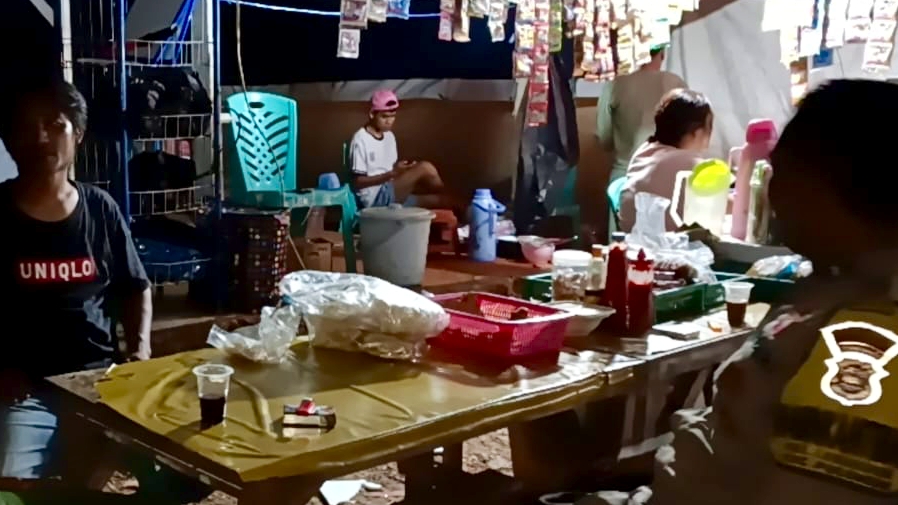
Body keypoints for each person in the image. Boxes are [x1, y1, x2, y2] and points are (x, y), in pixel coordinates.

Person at [583, 80, 898, 505]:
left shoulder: (863, 337)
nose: (771, 193)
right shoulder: (831, 289)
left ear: (821, 185)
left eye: (781, 173)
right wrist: (639, 464)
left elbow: (809, 491)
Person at [0, 79, 152, 478]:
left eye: (55, 125)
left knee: (174, 468)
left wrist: (139, 353)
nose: (40, 137)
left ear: (78, 134)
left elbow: (136, 287)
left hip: (99, 382)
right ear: (9, 141)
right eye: (27, 127)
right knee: (11, 479)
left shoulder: (101, 209)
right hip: (25, 392)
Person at [616, 88, 713, 232]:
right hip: (665, 242)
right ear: (697, 133)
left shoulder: (645, 150)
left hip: (631, 237)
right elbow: (728, 206)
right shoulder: (690, 163)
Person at [597, 45, 687, 189]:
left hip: (625, 177)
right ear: (662, 54)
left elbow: (605, 140)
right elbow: (687, 137)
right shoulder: (676, 84)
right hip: (665, 177)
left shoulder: (616, 83)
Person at [349, 90, 452, 210]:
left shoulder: (389, 136)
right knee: (425, 168)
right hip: (375, 199)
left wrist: (404, 170)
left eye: (392, 116)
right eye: (384, 117)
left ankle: (464, 210)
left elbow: (391, 170)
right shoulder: (360, 139)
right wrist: (391, 174)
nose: (389, 121)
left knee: (443, 201)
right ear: (372, 114)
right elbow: (358, 182)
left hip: (391, 188)